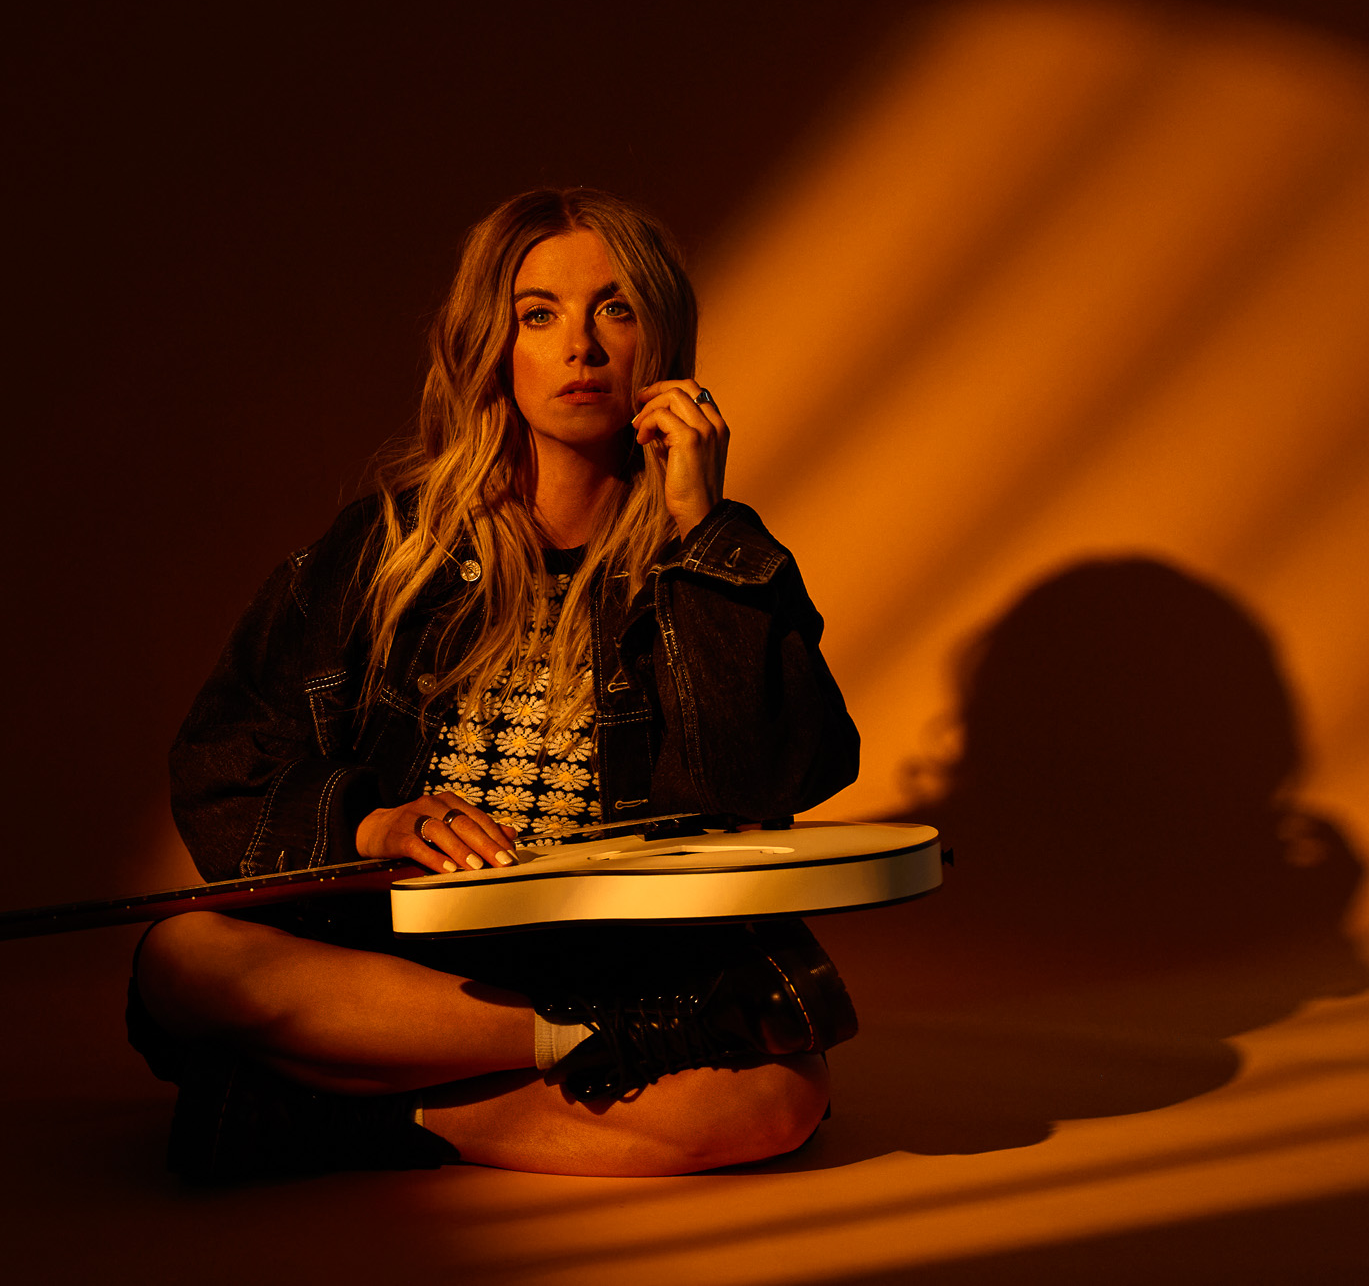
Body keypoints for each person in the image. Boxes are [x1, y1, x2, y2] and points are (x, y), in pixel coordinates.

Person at [132, 188, 861, 1179]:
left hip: (627, 958)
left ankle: (324, 1109)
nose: (580, 348)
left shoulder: (711, 563)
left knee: (779, 1099)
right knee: (184, 959)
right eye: (538, 314)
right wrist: (372, 824)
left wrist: (702, 530)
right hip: (400, 958)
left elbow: (766, 781)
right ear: (492, 343)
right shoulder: (386, 548)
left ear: (660, 340)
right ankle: (573, 1038)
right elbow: (217, 764)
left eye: (614, 310)